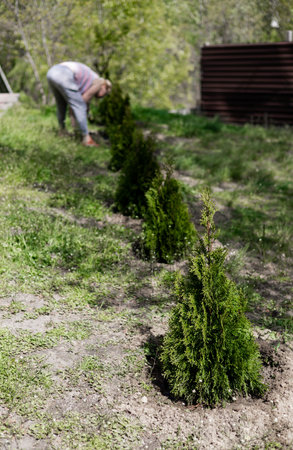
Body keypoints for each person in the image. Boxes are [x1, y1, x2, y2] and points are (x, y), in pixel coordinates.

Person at [47, 61, 112, 146]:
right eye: (106, 93)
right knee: (79, 106)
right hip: (63, 73)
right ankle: (86, 138)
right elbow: (81, 103)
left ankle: (62, 131)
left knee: (61, 105)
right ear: (105, 87)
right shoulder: (99, 82)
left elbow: (79, 103)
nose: (103, 96)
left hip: (52, 72)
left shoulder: (91, 79)